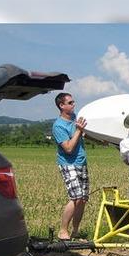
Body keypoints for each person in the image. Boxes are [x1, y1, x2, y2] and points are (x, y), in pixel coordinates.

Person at [52, 92, 88, 241]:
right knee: (76, 197)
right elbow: (68, 148)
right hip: (68, 164)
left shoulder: (75, 119)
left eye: (73, 102)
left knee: (83, 199)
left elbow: (84, 135)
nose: (74, 105)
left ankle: (75, 231)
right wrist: (79, 130)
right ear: (62, 105)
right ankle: (62, 231)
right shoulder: (58, 126)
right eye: (71, 102)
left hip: (82, 162)